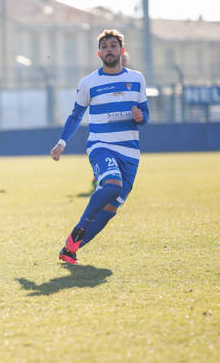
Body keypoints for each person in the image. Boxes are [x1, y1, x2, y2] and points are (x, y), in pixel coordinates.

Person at [50, 29, 149, 264]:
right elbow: (75, 115)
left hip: (130, 152)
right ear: (99, 53)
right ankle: (79, 227)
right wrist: (62, 142)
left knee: (110, 209)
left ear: (121, 51)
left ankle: (70, 249)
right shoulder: (89, 82)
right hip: (101, 145)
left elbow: (145, 115)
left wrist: (140, 116)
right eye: (104, 46)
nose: (109, 49)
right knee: (113, 185)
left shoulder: (137, 79)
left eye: (113, 45)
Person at [88, 49, 131, 193]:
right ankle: (100, 180)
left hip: (123, 132)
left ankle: (106, 181)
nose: (123, 62)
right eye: (122, 59)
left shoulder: (131, 79)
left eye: (125, 60)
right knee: (104, 156)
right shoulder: (100, 79)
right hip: (104, 129)